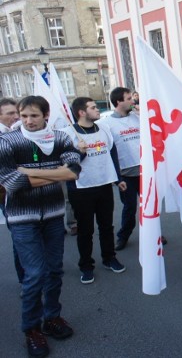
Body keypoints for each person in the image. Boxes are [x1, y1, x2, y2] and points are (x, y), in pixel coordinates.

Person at [0, 96, 81, 357]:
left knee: (54, 270)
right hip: (23, 217)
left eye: (33, 116)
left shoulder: (61, 138)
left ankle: (52, 317)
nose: (27, 121)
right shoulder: (7, 141)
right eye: (23, 116)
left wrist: (29, 172)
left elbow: (72, 172)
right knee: (34, 274)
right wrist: (53, 172)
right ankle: (31, 329)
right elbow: (11, 183)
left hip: (54, 214)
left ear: (46, 114)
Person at [62, 98, 128, 285]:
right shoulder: (68, 134)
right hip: (81, 188)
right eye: (92, 108)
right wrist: (80, 152)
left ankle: (109, 258)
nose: (97, 110)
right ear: (82, 113)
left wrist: (118, 179)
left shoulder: (105, 129)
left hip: (104, 184)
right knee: (85, 230)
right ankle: (86, 265)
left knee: (107, 226)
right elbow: (67, 165)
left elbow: (112, 154)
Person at [98, 87, 161, 251]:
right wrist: (116, 178)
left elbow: (154, 125)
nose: (133, 101)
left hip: (144, 170)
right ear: (118, 101)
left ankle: (155, 234)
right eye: (128, 98)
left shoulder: (137, 117)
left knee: (149, 206)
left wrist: (142, 112)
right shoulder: (107, 124)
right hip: (125, 174)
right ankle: (123, 236)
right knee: (130, 208)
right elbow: (105, 150)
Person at [0, 98, 25, 285]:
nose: (15, 117)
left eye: (17, 113)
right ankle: (26, 282)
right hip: (8, 195)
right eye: (10, 113)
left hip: (30, 191)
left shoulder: (22, 132)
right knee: (20, 239)